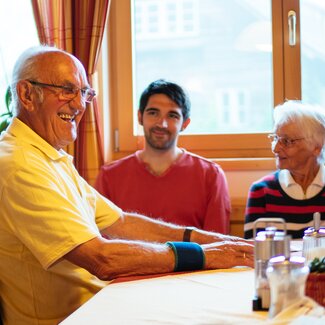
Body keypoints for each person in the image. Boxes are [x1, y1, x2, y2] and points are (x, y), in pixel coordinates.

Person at [0, 46, 253, 325]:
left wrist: (228, 244)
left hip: (102, 302)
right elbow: (101, 258)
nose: (79, 104)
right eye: (66, 89)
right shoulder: (19, 164)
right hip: (72, 318)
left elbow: (119, 222)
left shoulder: (47, 155)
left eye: (84, 93)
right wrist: (206, 255)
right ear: (26, 94)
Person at [95, 79, 230, 234]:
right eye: (153, 113)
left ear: (185, 124)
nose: (162, 124)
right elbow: (101, 243)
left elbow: (217, 244)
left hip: (189, 259)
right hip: (127, 258)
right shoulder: (110, 177)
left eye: (172, 116)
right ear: (140, 117)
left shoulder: (210, 175)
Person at [244, 100, 325, 239]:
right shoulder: (262, 191)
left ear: (316, 147)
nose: (275, 148)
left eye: (287, 141)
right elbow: (253, 253)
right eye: (275, 138)